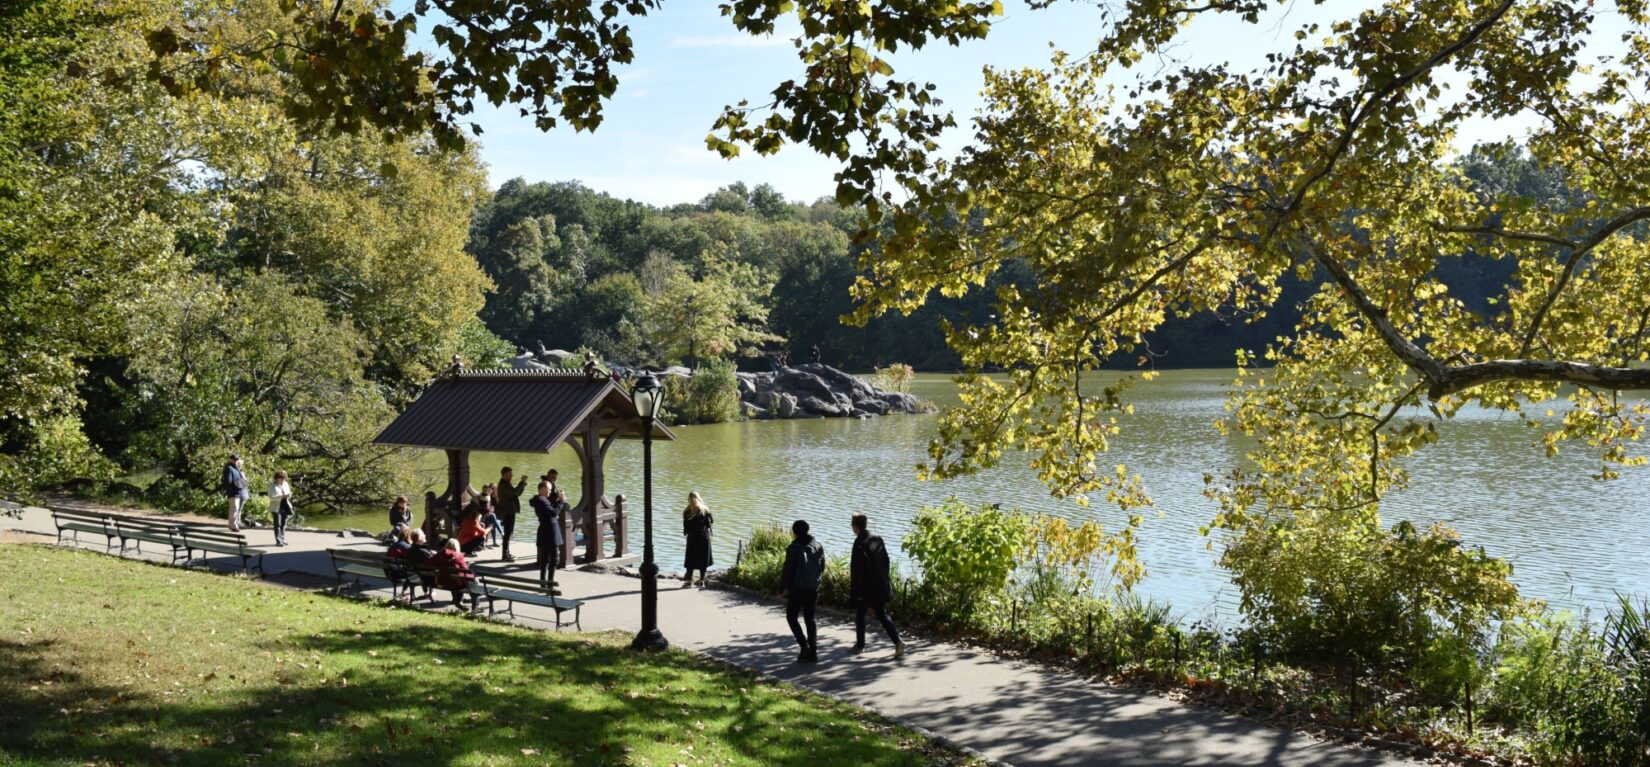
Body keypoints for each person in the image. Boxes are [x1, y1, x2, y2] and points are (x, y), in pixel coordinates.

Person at [849, 513, 905, 657]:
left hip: (867, 588)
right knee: (881, 613)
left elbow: (857, 570)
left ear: (855, 527)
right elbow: (886, 561)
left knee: (860, 614)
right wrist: (885, 579)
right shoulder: (877, 538)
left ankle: (860, 645)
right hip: (880, 584)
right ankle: (897, 642)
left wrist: (858, 591)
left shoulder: (859, 543)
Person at [780, 519, 826, 663]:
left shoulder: (794, 548)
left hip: (797, 590)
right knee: (810, 620)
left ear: (794, 532)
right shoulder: (817, 545)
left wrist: (781, 587)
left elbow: (788, 570)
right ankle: (813, 651)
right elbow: (822, 567)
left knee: (791, 617)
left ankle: (803, 646)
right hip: (813, 589)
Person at [529, 481, 565, 591]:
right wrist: (561, 502)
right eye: (548, 489)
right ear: (542, 488)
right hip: (550, 532)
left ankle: (543, 582)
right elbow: (553, 513)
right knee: (554, 559)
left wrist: (556, 497)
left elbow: (549, 504)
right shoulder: (541, 500)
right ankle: (550, 583)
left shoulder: (539, 500)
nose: (550, 491)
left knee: (545, 559)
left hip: (545, 531)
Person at [428, 538, 475, 608]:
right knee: (470, 580)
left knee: (454, 577)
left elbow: (430, 562)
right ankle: (476, 604)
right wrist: (472, 576)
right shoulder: (458, 556)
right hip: (456, 582)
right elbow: (466, 569)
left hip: (442, 581)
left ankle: (457, 599)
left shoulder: (440, 554)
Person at [681, 491, 714, 585]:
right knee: (703, 558)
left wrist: (687, 531)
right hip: (704, 537)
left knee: (690, 558)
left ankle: (689, 580)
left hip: (692, 538)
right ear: (699, 498)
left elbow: (686, 528)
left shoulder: (687, 511)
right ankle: (702, 580)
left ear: (689, 500)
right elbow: (711, 522)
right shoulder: (705, 509)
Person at [495, 467, 526, 559]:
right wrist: (522, 482)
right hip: (507, 512)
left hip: (510, 512)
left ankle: (507, 553)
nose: (512, 476)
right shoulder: (503, 485)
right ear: (504, 475)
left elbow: (517, 494)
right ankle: (505, 555)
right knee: (507, 533)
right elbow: (514, 493)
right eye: (510, 474)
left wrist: (523, 484)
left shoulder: (506, 483)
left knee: (509, 533)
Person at [220, 453, 250, 532]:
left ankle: (235, 524)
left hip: (239, 491)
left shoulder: (236, 468)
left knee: (237, 509)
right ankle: (233, 526)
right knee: (234, 508)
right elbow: (228, 482)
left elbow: (240, 479)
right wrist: (233, 488)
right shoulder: (229, 468)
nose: (236, 461)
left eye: (237, 459)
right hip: (233, 492)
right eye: (234, 459)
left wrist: (244, 482)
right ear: (230, 460)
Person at [268, 470, 294, 547]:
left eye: (283, 478)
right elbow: (271, 497)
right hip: (276, 506)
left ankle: (282, 538)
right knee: (277, 524)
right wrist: (281, 496)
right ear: (276, 478)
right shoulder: (272, 486)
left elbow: (289, 494)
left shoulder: (286, 484)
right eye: (280, 478)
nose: (282, 480)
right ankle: (278, 541)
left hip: (285, 505)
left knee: (283, 524)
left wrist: (288, 495)